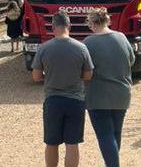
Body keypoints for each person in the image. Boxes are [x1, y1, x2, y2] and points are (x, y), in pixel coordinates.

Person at [31, 11, 94, 167]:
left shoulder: (44, 48)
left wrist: (50, 74)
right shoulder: (81, 48)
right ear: (69, 26)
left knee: (51, 142)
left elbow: (36, 77)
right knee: (72, 143)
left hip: (53, 100)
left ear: (53, 27)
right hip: (75, 100)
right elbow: (88, 76)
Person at [84, 8, 135, 167]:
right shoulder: (121, 37)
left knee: (105, 135)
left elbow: (85, 69)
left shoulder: (89, 42)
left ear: (92, 23)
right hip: (121, 93)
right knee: (115, 133)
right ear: (107, 20)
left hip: (98, 96)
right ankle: (111, 163)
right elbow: (131, 60)